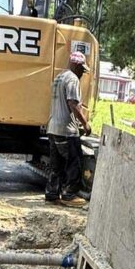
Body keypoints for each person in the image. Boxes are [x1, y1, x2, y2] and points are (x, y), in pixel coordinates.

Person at [45, 50, 91, 207]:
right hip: (67, 130)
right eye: (82, 70)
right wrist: (85, 124)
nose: (82, 74)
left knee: (55, 164)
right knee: (73, 163)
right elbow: (73, 103)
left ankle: (52, 194)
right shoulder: (72, 80)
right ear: (76, 66)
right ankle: (69, 195)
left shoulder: (59, 78)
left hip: (52, 127)